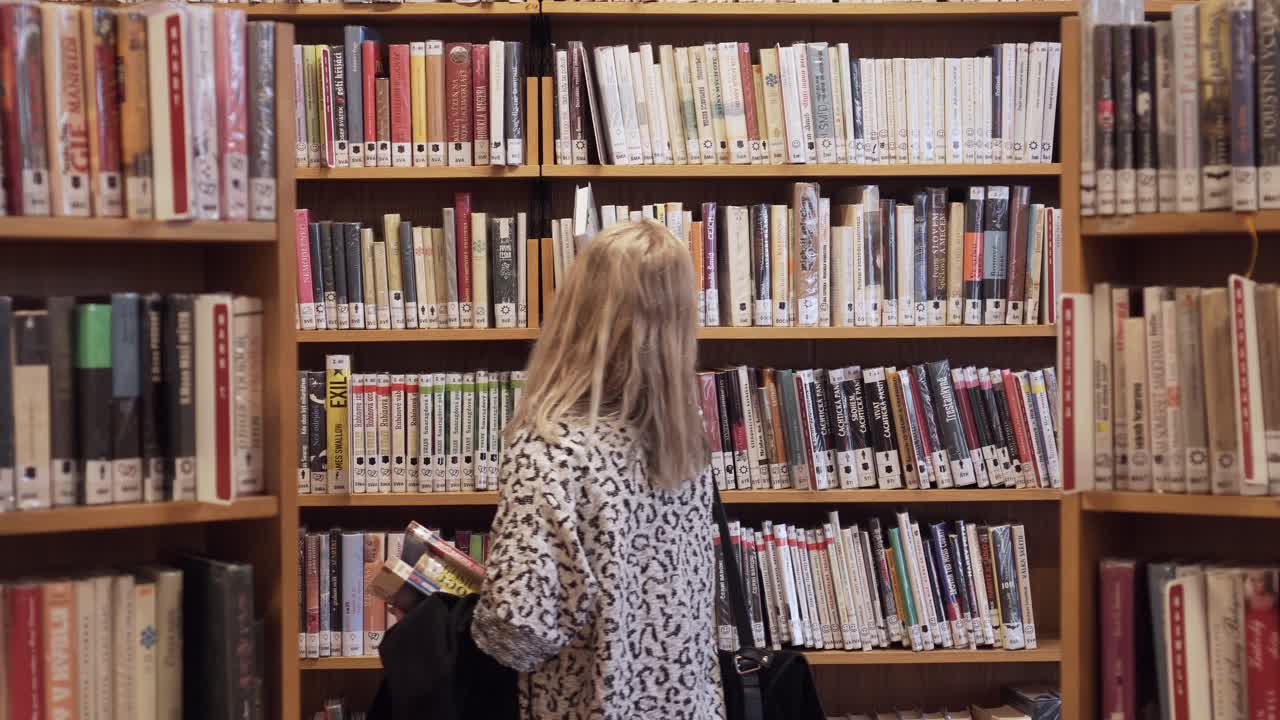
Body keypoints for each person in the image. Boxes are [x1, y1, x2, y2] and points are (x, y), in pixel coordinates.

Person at [472, 220, 724, 720]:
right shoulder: (687, 446)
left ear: (577, 311)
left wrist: (431, 611)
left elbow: (519, 633)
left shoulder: (553, 450)